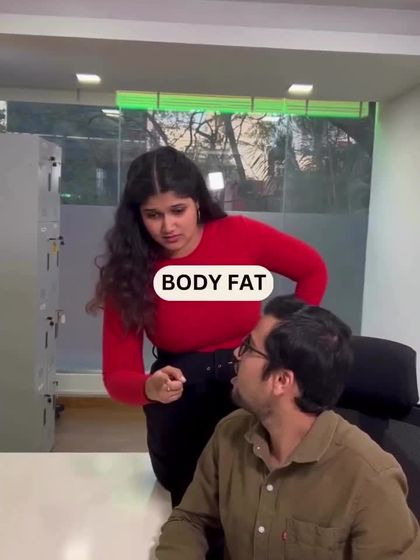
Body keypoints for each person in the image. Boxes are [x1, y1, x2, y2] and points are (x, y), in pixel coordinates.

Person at [87, 146, 328, 507]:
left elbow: (313, 270)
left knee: (262, 499)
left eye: (178, 210)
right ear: (137, 216)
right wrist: (149, 387)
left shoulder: (239, 235)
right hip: (180, 407)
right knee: (193, 505)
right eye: (153, 215)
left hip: (249, 391)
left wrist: (283, 341)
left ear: (197, 202)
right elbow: (118, 376)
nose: (168, 227)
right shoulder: (130, 271)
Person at [156, 295, 420, 560]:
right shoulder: (229, 433)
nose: (236, 354)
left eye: (248, 347)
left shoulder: (371, 479)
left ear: (281, 380)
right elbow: (190, 520)